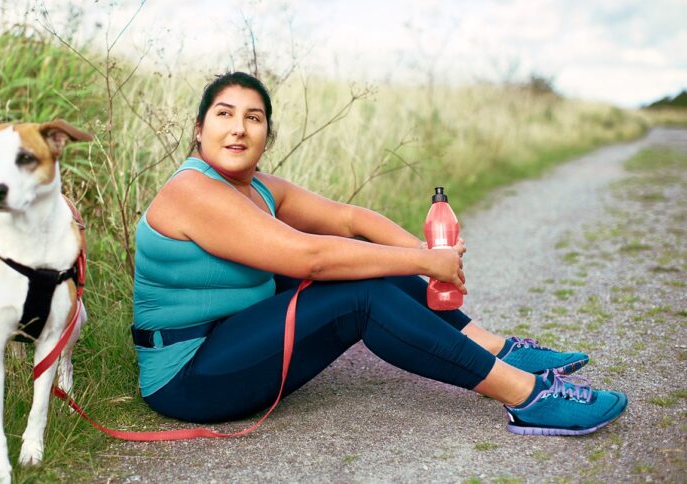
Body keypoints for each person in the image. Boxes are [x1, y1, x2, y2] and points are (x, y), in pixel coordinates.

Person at [131, 71, 627, 436]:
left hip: (233, 339)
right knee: (359, 295)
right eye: (224, 114)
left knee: (366, 264)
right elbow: (310, 258)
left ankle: (495, 348)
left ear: (267, 135)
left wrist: (429, 253)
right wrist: (423, 264)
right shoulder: (192, 191)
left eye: (253, 118)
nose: (239, 128)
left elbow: (350, 220)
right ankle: (527, 396)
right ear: (199, 128)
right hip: (188, 377)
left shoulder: (258, 186)